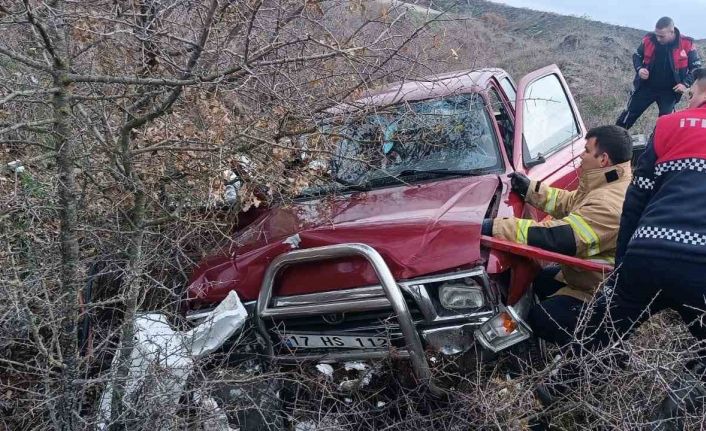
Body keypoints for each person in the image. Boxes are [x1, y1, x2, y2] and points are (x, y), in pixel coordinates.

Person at [481, 125, 633, 346]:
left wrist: (494, 227)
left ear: (604, 159)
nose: (581, 155)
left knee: (543, 318)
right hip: (588, 279)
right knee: (541, 280)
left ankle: (586, 358)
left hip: (602, 291)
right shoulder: (608, 182)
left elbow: (560, 238)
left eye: (587, 150)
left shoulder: (610, 203)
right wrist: (531, 189)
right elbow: (570, 203)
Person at [616, 17, 701, 130]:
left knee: (664, 125)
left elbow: (696, 67)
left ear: (672, 32)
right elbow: (637, 55)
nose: (658, 38)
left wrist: (685, 84)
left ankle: (655, 145)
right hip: (645, 87)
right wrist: (640, 69)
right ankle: (613, 141)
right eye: (657, 35)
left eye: (662, 36)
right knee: (627, 117)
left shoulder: (686, 43)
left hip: (670, 92)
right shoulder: (649, 39)